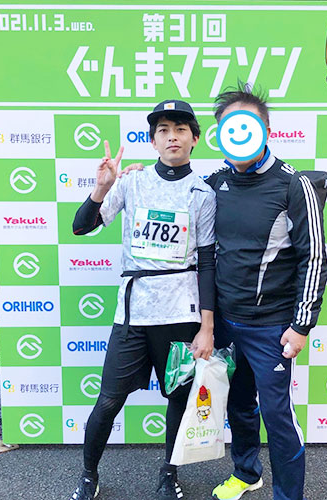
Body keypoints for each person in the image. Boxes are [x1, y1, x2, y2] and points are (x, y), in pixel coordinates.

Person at [69, 100, 216, 500]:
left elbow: (207, 262)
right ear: (153, 141)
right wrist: (102, 188)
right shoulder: (131, 182)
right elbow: (81, 227)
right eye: (163, 130)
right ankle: (88, 475)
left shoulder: (204, 194)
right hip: (133, 314)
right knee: (108, 399)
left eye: (181, 129)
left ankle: (169, 474)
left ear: (194, 139)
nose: (172, 136)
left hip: (180, 315)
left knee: (180, 398)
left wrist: (206, 326)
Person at [206, 84, 327, 500]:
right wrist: (135, 179)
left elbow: (314, 258)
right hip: (226, 323)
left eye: (247, 126)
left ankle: (288, 495)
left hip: (272, 328)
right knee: (239, 405)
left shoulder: (294, 185)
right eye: (229, 128)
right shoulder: (215, 182)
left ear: (267, 131)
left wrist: (302, 325)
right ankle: (246, 473)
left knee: (277, 417)